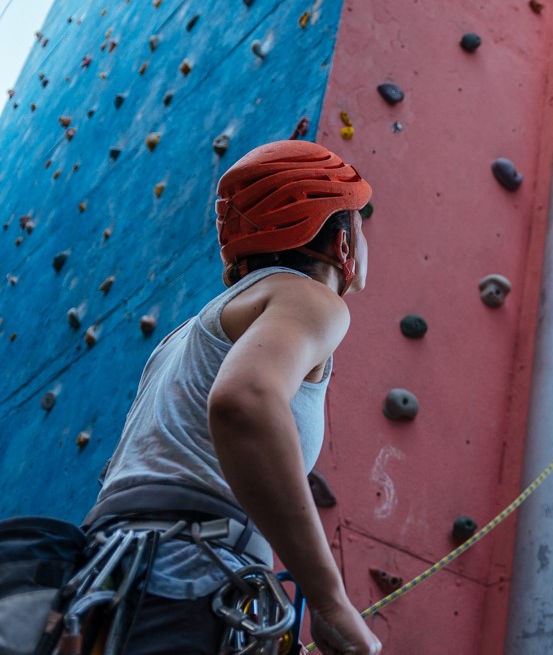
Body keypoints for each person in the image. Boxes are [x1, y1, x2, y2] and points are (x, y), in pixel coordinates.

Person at [81, 140, 382, 654]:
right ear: (342, 243)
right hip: (186, 578)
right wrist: (330, 601)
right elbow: (245, 402)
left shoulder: (184, 337)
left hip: (108, 578)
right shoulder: (310, 299)